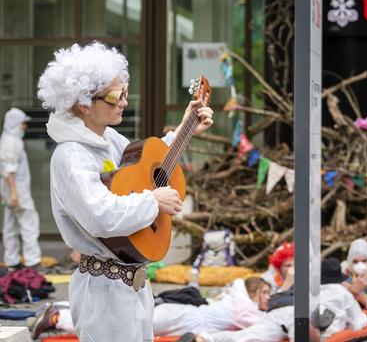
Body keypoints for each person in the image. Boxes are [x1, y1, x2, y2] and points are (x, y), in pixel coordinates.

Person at [37, 42, 214, 342]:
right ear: (83, 103)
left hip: (130, 283)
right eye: (114, 96)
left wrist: (185, 127)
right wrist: (153, 200)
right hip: (102, 293)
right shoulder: (71, 157)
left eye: (124, 92)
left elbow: (145, 166)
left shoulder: (109, 139)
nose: (123, 102)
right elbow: (100, 216)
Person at [32, 277, 271, 339]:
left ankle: (61, 312)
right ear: (253, 293)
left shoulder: (245, 301)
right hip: (182, 317)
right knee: (126, 324)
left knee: (126, 318)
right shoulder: (245, 305)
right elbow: (261, 323)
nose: (268, 298)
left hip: (183, 317)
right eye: (264, 292)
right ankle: (59, 317)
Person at [199, 258, 367, 342]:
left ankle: (207, 338)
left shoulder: (308, 287)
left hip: (285, 311)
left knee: (247, 337)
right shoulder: (342, 293)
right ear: (340, 278)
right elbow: (358, 323)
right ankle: (315, 327)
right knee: (321, 328)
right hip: (307, 318)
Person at [0, 107, 42, 269]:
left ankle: (12, 260)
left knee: (10, 225)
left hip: (10, 192)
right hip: (17, 192)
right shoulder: (12, 142)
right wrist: (14, 194)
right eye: (23, 123)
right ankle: (32, 260)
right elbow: (9, 170)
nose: (25, 126)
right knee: (29, 223)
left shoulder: (6, 140)